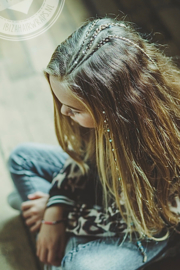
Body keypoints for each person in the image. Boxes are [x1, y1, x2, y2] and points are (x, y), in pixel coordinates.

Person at [8, 17, 180, 270]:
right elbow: (82, 156)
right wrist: (55, 208)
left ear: (115, 107)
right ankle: (60, 244)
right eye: (60, 102)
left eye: (75, 109)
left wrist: (58, 215)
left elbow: (141, 221)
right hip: (109, 191)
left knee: (82, 264)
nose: (64, 112)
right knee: (21, 158)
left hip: (149, 226)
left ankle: (58, 245)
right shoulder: (106, 120)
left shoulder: (164, 145)